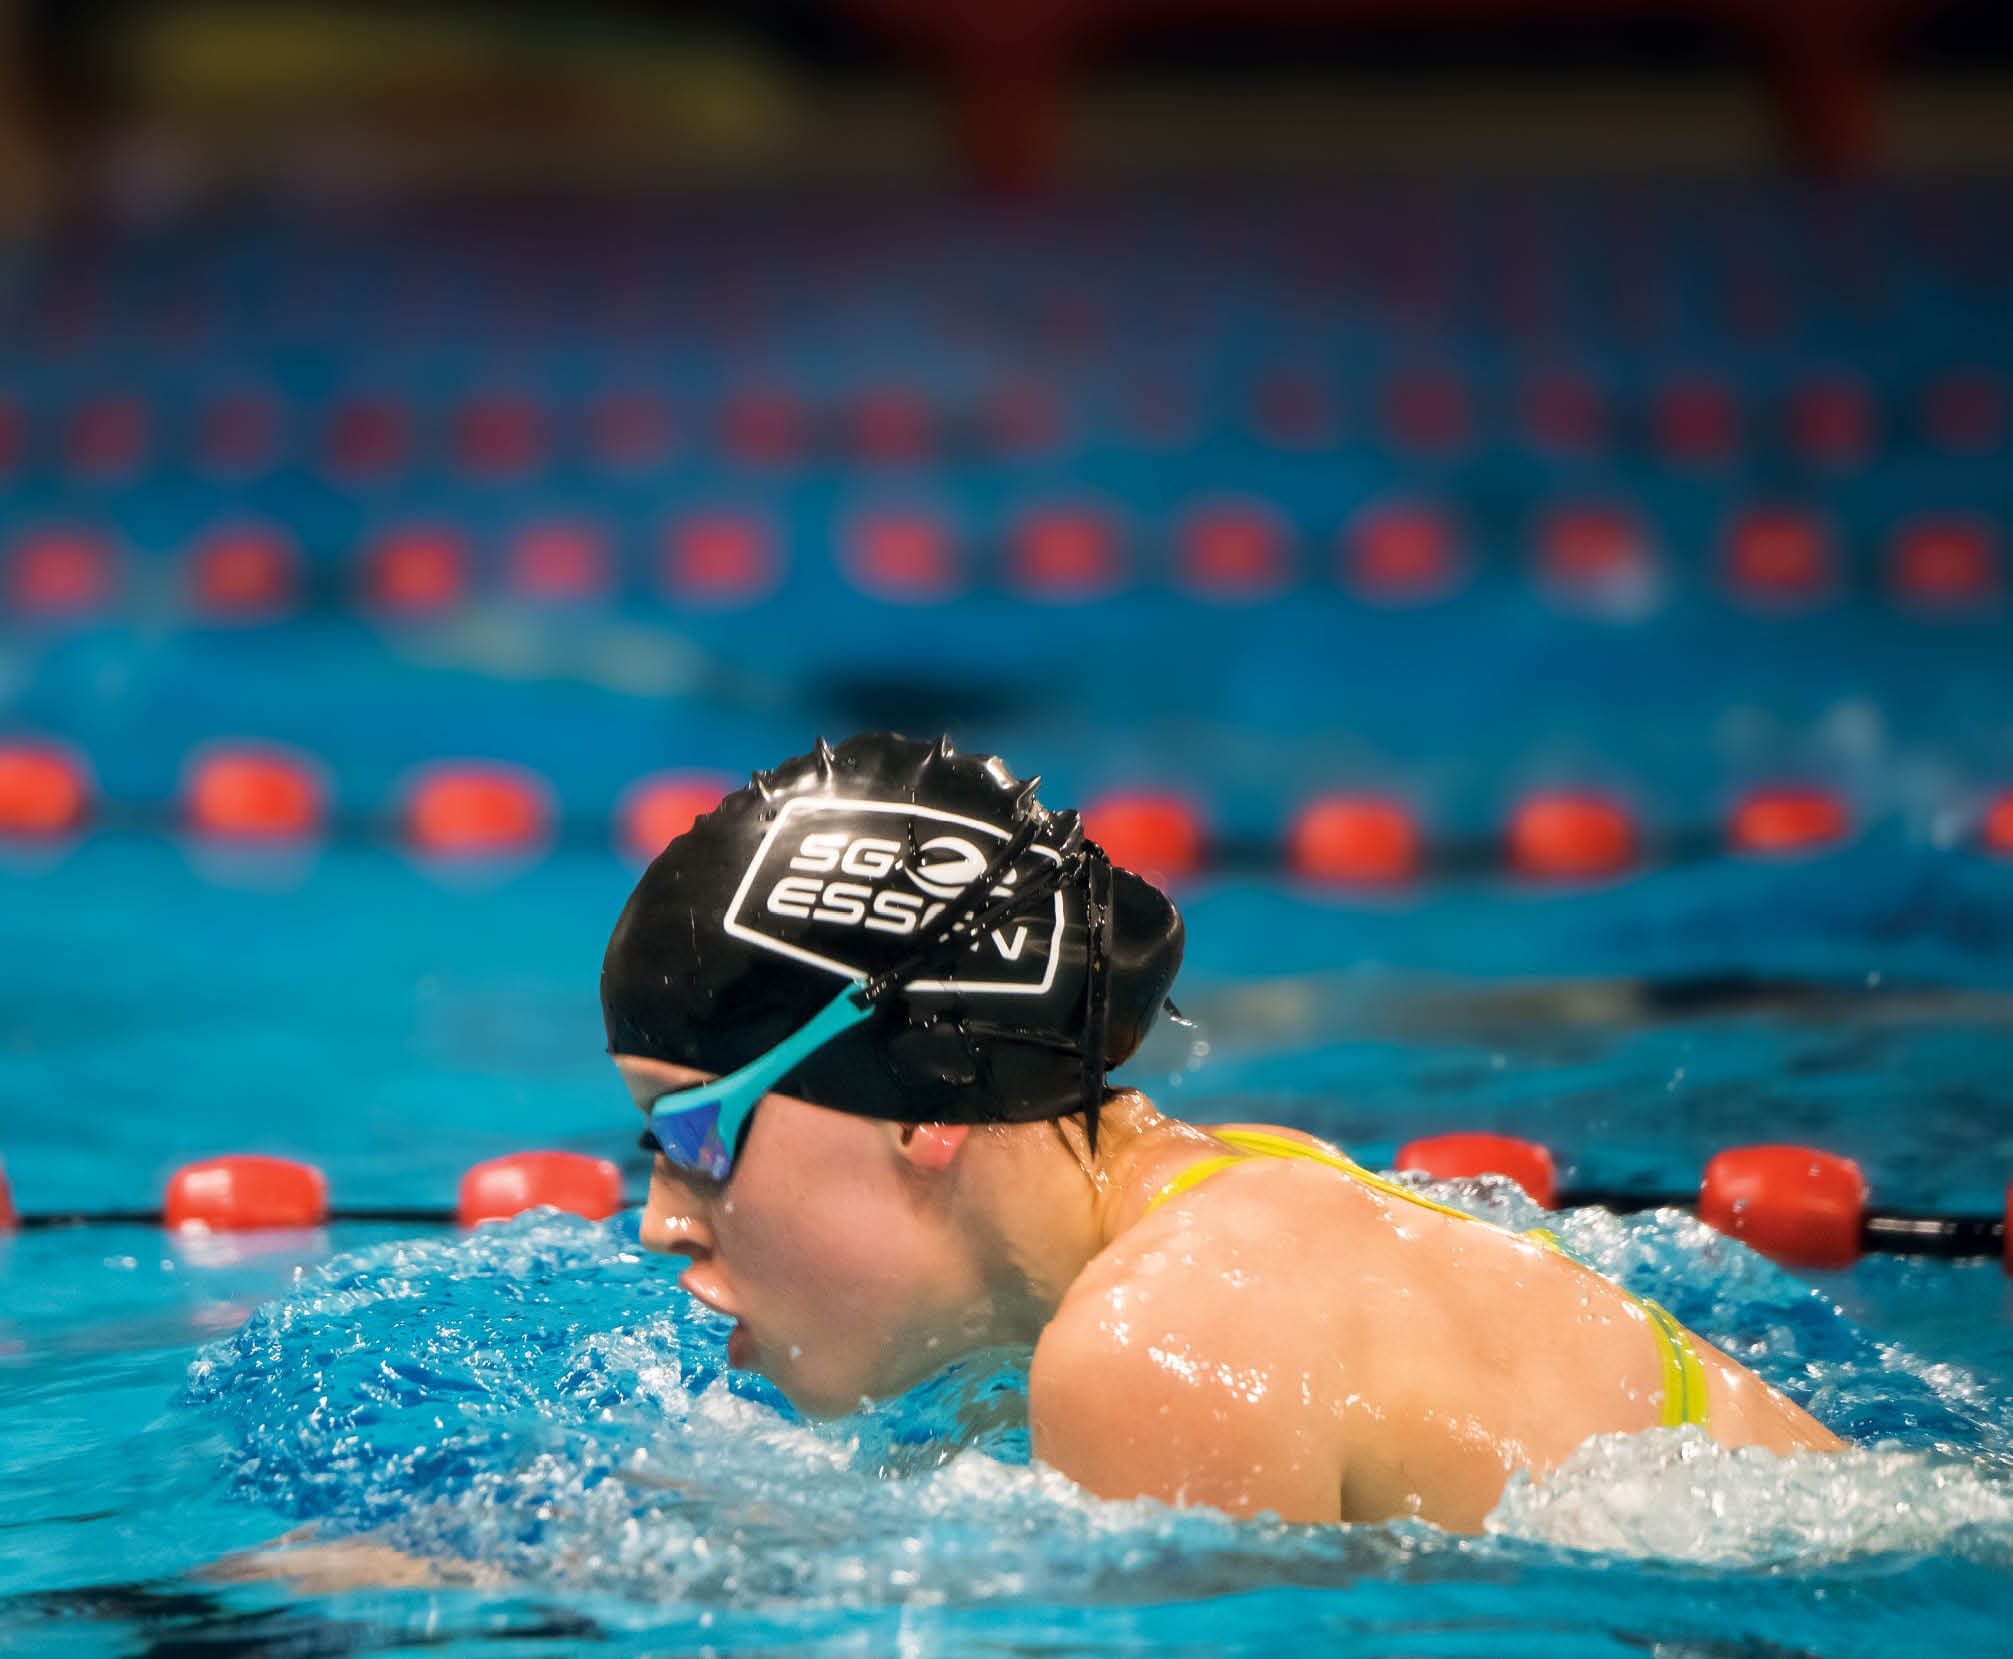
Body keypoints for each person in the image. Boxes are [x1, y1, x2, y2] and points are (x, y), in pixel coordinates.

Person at [603, 733, 1841, 1532]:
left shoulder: (1153, 1348)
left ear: (927, 1105)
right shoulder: (1218, 1194)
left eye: (698, 1132)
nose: (662, 1216)